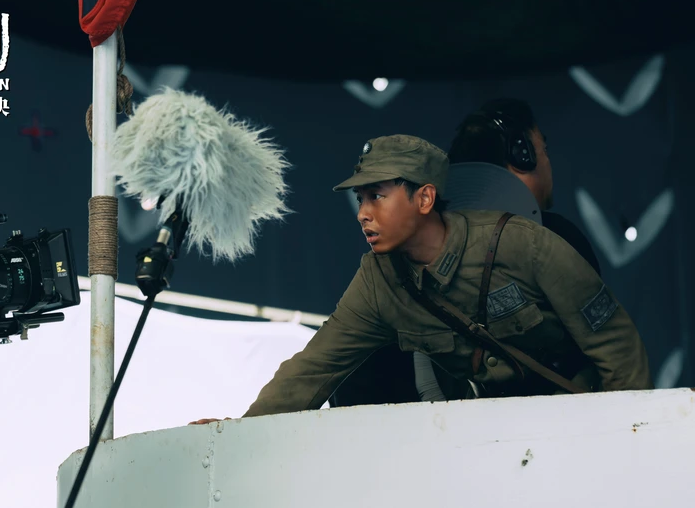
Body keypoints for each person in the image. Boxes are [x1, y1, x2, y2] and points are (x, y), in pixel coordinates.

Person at [191, 134, 651, 423]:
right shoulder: (378, 281)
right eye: (360, 200)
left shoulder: (521, 244)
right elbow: (315, 368)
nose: (363, 214)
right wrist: (241, 432)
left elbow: (614, 344)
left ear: (425, 199)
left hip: (575, 416)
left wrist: (631, 434)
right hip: (492, 431)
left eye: (377, 196)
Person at [329, 98, 604, 408]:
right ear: (522, 156)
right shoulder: (556, 237)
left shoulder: (397, 253)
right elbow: (606, 346)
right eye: (544, 151)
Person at [448, 98, 601, 274]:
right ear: (522, 157)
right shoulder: (560, 240)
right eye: (544, 149)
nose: (548, 161)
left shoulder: (442, 243)